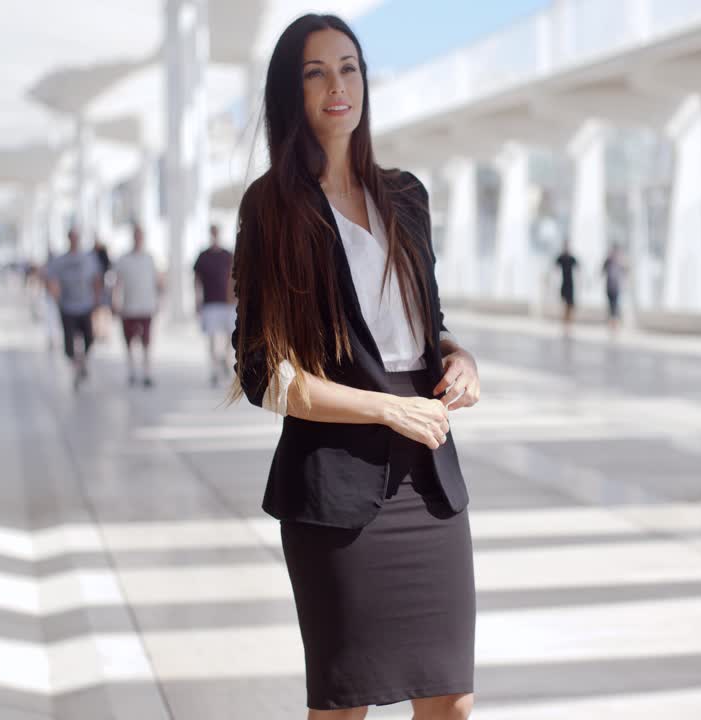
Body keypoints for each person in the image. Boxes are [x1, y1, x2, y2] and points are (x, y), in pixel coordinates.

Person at [230, 15, 480, 719]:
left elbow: (425, 327)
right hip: (336, 489)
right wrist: (386, 407)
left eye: (350, 67)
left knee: (452, 701)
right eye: (316, 72)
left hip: (429, 482)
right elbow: (263, 374)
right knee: (347, 706)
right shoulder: (271, 208)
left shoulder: (406, 197)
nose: (338, 86)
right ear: (292, 92)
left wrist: (463, 361)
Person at [46, 229, 104, 389]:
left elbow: (97, 278)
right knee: (69, 344)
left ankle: (83, 361)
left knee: (89, 338)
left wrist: (97, 299)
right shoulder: (60, 261)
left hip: (85, 305)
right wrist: (56, 297)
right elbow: (51, 279)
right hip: (68, 307)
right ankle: (76, 369)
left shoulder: (88, 259)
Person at [114, 223, 163, 387]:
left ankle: (147, 372)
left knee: (146, 342)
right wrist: (116, 302)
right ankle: (132, 370)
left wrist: (158, 301)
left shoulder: (149, 259)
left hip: (146, 306)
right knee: (129, 341)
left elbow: (157, 282)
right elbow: (117, 283)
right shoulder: (124, 259)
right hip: (129, 307)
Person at [194, 224, 236, 387]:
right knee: (212, 337)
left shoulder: (227, 255)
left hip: (227, 302)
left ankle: (224, 359)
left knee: (228, 335)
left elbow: (235, 277)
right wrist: (197, 300)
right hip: (210, 302)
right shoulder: (203, 256)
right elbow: (196, 280)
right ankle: (214, 367)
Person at [555, 244, 578, 327]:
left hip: (571, 283)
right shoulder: (561, 258)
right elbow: (555, 267)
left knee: (570, 304)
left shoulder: (572, 258)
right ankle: (565, 320)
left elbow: (578, 268)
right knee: (565, 303)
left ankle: (569, 320)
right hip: (564, 283)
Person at [601, 245, 624, 329]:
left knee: (615, 306)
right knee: (611, 306)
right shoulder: (608, 261)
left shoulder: (620, 262)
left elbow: (625, 272)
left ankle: (615, 324)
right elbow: (602, 272)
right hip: (609, 287)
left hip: (617, 288)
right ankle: (612, 324)